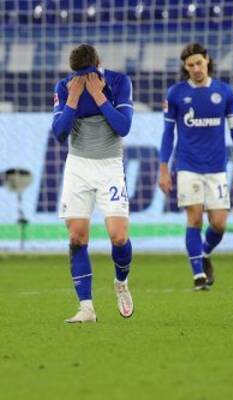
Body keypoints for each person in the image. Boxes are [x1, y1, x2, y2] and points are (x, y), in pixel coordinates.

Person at [159, 43, 233, 290]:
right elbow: (168, 133)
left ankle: (204, 252)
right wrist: (163, 168)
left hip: (216, 167)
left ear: (207, 60)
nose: (196, 69)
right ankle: (198, 275)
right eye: (190, 65)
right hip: (187, 164)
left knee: (219, 223)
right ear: (185, 67)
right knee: (194, 218)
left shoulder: (224, 92)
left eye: (199, 63)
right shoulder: (175, 94)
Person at [51, 44, 135, 323]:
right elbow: (59, 134)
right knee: (76, 237)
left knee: (119, 237)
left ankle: (121, 282)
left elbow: (123, 127)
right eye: (79, 75)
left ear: (98, 64)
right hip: (78, 167)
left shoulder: (119, 82)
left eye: (88, 73)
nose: (84, 79)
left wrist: (99, 97)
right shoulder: (65, 87)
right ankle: (86, 308)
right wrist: (73, 99)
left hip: (110, 166)